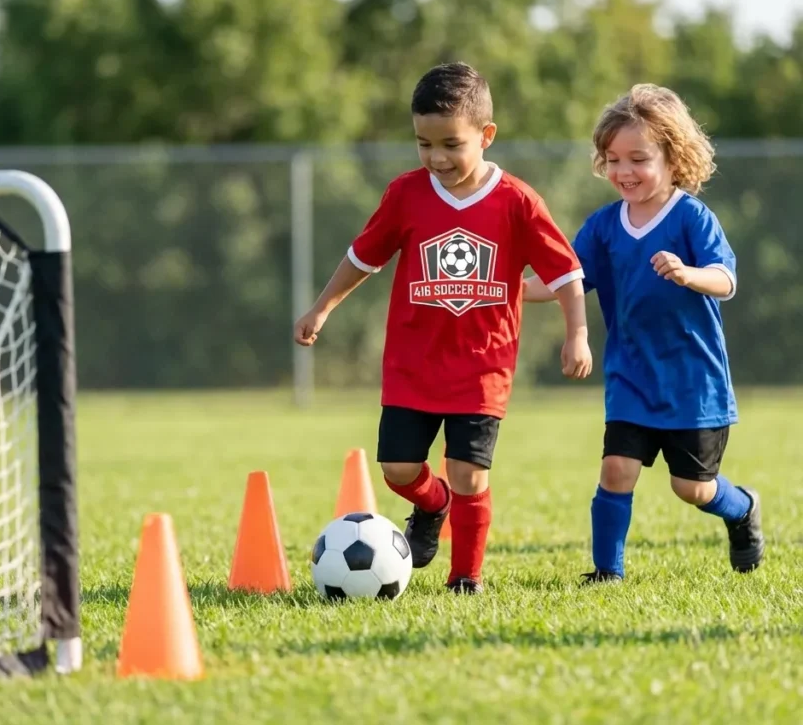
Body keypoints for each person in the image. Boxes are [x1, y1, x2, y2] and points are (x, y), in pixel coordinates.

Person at [294, 61, 592, 594]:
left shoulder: (517, 202)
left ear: (486, 135)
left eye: (450, 144)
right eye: (423, 144)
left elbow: (567, 271)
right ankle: (434, 508)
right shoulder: (407, 194)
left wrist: (577, 334)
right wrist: (322, 308)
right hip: (412, 364)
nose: (436, 158)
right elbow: (363, 257)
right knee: (398, 469)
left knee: (469, 474)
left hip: (483, 366)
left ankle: (465, 577)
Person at [523, 83, 764, 582]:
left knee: (692, 489)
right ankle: (607, 572)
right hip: (630, 376)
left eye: (638, 158)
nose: (623, 171)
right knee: (616, 470)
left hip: (693, 384)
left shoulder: (692, 217)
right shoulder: (604, 226)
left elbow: (725, 279)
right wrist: (508, 288)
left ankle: (741, 509)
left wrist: (687, 273)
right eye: (612, 159)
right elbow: (567, 279)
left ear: (673, 158)